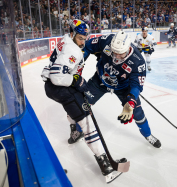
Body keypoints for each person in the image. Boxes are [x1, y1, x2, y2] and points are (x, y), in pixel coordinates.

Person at [40, 19, 123, 183]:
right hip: (60, 87)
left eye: (85, 38)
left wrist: (75, 78)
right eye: (80, 38)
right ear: (72, 34)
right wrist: (76, 81)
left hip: (53, 87)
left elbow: (59, 70)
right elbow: (58, 77)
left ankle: (73, 133)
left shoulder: (65, 40)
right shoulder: (73, 51)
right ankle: (107, 166)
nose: (83, 42)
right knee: (87, 123)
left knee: (74, 110)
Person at [81, 31, 161, 149]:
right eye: (114, 52)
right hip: (100, 80)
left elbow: (136, 85)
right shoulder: (107, 40)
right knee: (82, 105)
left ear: (128, 48)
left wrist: (131, 102)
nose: (116, 57)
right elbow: (87, 46)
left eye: (120, 54)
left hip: (123, 87)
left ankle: (148, 135)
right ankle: (77, 130)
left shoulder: (138, 61)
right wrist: (79, 63)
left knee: (137, 111)